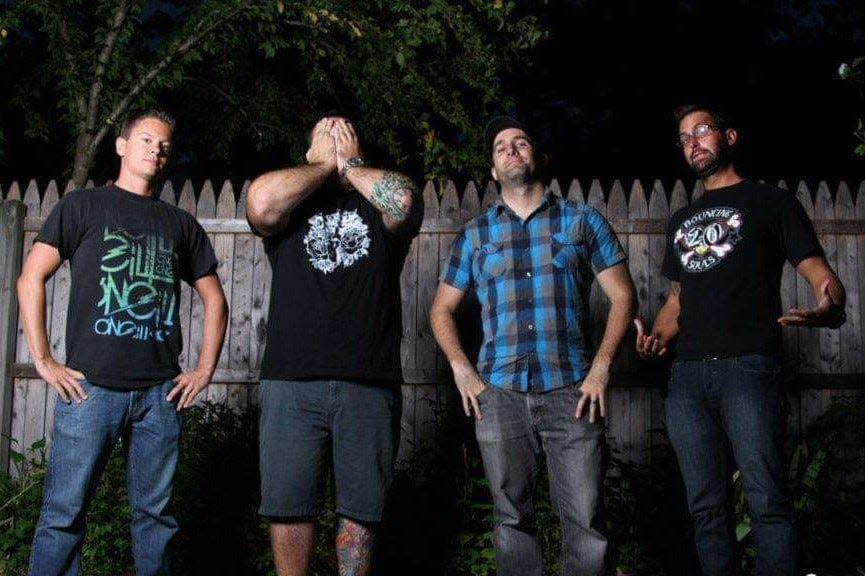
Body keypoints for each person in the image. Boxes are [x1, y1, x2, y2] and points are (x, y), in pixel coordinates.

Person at [634, 104, 847, 575]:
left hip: (749, 369)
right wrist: (655, 338)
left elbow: (821, 275)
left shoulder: (771, 203)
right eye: (684, 136)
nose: (692, 141)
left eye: (702, 130)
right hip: (687, 378)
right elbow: (676, 302)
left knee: (766, 497)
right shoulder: (680, 222)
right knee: (706, 507)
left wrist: (828, 305)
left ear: (729, 136)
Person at [20, 109, 228, 576]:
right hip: (89, 389)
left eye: (164, 145)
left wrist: (203, 369)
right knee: (63, 515)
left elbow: (216, 301)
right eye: (147, 140)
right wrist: (43, 358)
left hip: (159, 396)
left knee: (156, 520)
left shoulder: (180, 224)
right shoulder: (82, 207)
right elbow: (30, 278)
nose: (156, 150)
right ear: (122, 146)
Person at [430, 116, 636, 576]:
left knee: (584, 519)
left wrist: (602, 367)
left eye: (521, 142)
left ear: (537, 157)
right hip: (498, 393)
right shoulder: (475, 235)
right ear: (492, 169)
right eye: (501, 145)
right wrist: (462, 369)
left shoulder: (581, 221)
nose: (511, 149)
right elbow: (440, 309)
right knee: (511, 519)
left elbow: (623, 296)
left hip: (573, 392)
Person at [245, 114, 422, 576]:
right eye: (325, 139)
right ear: (308, 156)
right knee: (288, 504)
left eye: (345, 138)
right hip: (291, 381)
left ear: (359, 150)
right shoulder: (288, 211)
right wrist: (325, 166)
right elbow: (259, 204)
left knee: (362, 507)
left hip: (369, 381)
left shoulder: (377, 209)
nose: (336, 143)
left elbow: (404, 200)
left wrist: (348, 165)